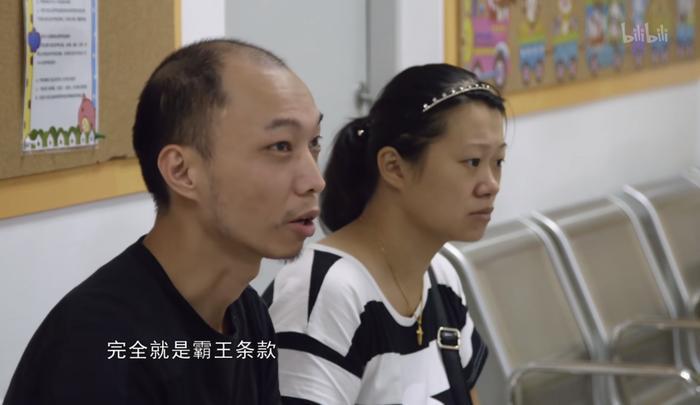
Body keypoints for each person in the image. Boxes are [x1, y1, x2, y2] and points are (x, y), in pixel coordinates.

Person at [4, 38, 325, 404]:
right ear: (182, 171)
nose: (315, 180)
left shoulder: (246, 313)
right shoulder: (97, 346)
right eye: (281, 146)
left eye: (314, 142)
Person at [265, 64, 507, 405]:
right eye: (472, 162)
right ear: (394, 167)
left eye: (498, 162)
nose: (491, 185)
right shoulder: (324, 290)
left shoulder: (440, 278)